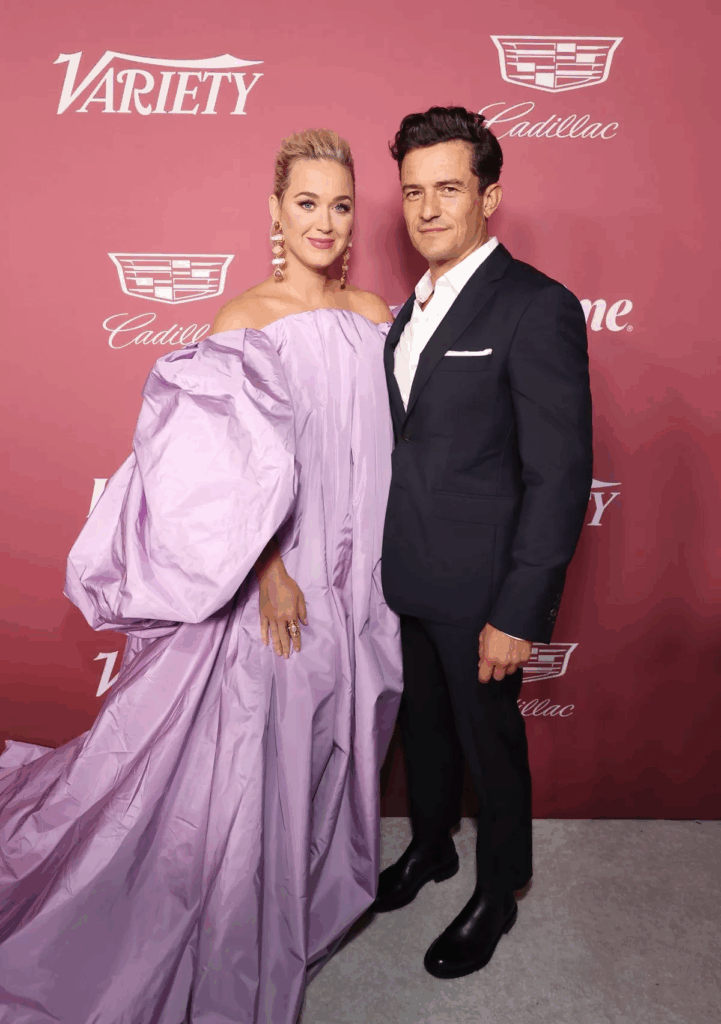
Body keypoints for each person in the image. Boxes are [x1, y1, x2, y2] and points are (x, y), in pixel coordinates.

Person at [0, 130, 402, 1024]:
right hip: (283, 576)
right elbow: (220, 480)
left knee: (341, 725)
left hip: (365, 577)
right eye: (306, 203)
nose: (325, 222)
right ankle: (241, 908)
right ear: (274, 211)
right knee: (262, 741)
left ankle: (305, 883)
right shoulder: (241, 322)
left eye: (340, 205)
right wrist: (269, 572)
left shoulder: (375, 313)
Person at [374, 106, 593, 979]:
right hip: (407, 572)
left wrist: (517, 611)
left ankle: (500, 888)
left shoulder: (536, 305)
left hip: (484, 588)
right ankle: (432, 847)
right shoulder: (412, 307)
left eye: (449, 189)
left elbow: (559, 474)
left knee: (488, 744)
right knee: (424, 732)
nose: (427, 209)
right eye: (412, 192)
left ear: (488, 196)